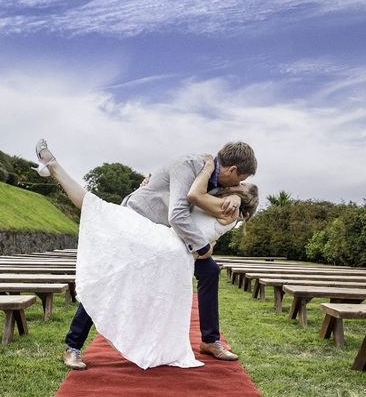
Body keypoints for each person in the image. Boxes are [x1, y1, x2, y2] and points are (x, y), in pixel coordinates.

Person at [34, 140, 258, 370]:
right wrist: (202, 248)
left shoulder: (214, 179)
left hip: (167, 239)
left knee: (209, 270)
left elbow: (241, 196)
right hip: (138, 223)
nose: (240, 183)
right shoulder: (191, 165)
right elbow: (178, 215)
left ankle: (210, 341)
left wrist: (238, 198)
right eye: (240, 179)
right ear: (232, 170)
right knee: (113, 278)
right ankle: (73, 346)